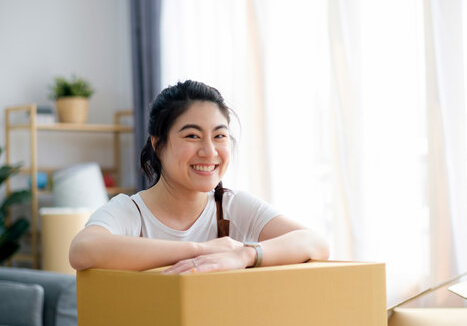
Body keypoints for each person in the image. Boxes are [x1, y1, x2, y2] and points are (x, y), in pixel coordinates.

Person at [69, 80, 329, 274]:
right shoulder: (132, 212)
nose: (209, 151)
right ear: (158, 144)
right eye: (192, 136)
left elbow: (315, 243)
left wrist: (244, 255)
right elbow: (83, 249)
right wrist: (201, 251)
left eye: (219, 136)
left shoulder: (231, 206)